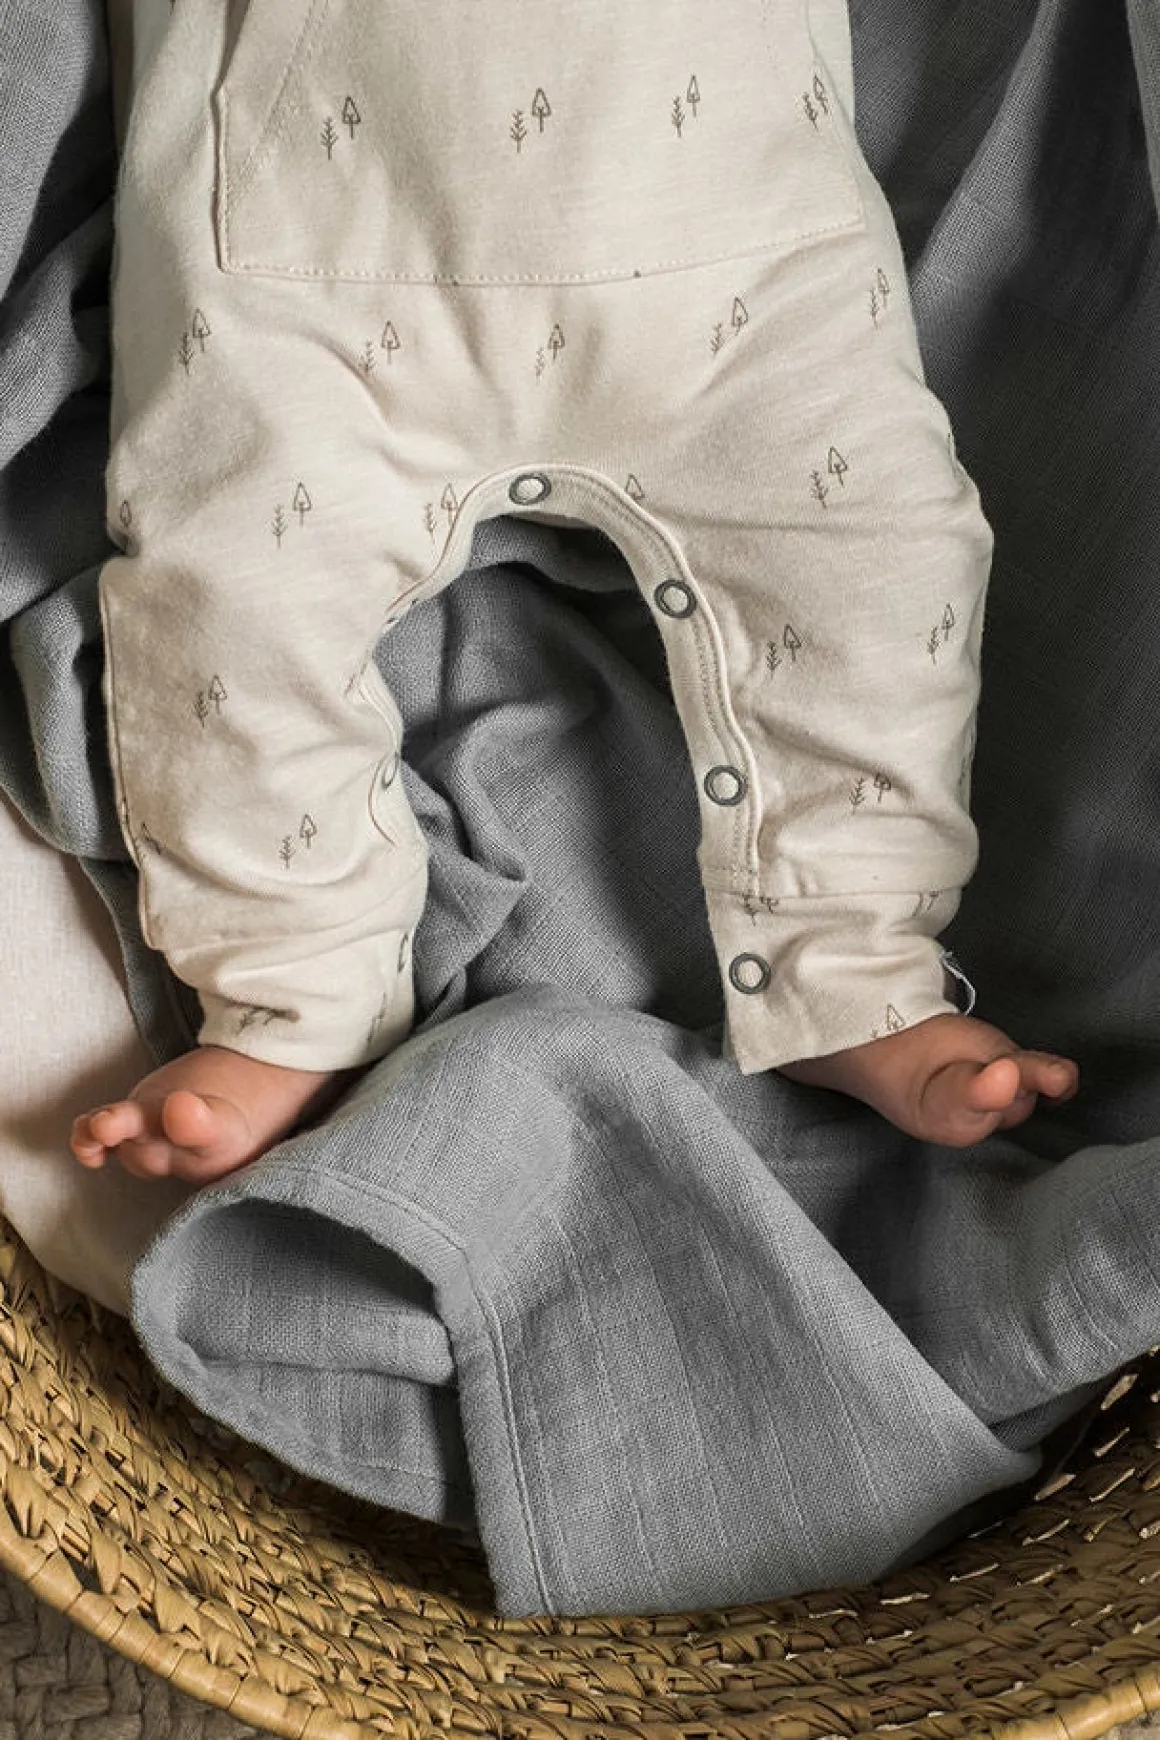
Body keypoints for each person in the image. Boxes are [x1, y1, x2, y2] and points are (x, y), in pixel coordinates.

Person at [72, 0, 1078, 1183]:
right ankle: (291, 993)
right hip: (316, 253)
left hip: (739, 257)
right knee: (232, 592)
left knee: (883, 547)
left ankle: (850, 967)